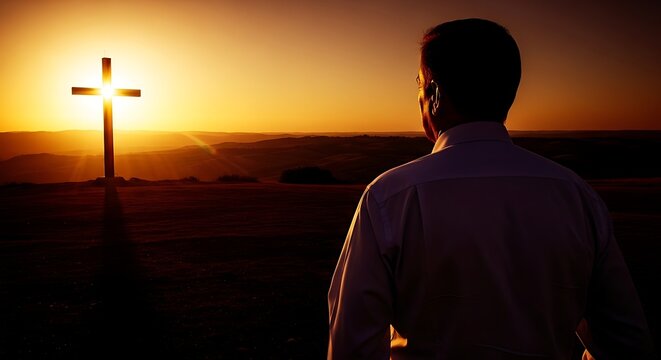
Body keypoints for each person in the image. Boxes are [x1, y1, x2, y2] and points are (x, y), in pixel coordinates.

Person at [328, 18, 654, 359]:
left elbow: (353, 343)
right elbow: (625, 342)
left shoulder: (389, 197)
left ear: (435, 96)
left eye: (419, 83)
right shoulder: (576, 195)